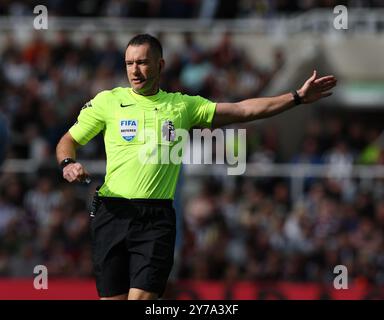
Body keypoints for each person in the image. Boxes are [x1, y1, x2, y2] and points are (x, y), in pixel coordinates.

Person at [55, 33, 337, 300]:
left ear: (160, 64)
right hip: (112, 213)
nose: (135, 70)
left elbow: (242, 110)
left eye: (142, 62)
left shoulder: (182, 107)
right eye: (129, 63)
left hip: (155, 218)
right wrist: (68, 163)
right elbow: (68, 140)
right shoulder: (109, 101)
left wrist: (296, 97)